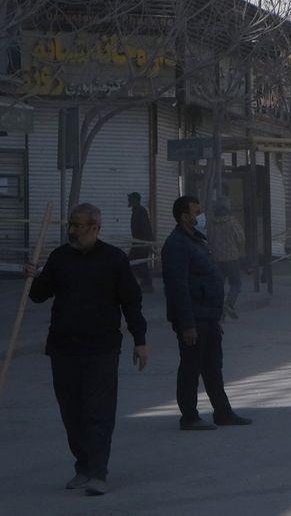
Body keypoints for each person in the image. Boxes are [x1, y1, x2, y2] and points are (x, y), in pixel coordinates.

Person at [26, 203, 147, 496]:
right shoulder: (60, 257)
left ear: (95, 228)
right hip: (63, 347)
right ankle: (83, 466)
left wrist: (140, 340)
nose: (72, 230)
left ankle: (98, 472)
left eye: (78, 225)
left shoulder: (114, 259)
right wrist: (32, 277)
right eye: (71, 224)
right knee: (71, 411)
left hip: (101, 348)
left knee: (98, 410)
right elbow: (39, 295)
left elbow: (131, 302)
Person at [162, 196, 252, 431]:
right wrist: (187, 324)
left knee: (213, 366)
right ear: (184, 216)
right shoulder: (177, 244)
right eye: (197, 212)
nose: (201, 216)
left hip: (208, 316)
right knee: (191, 367)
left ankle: (223, 412)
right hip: (194, 317)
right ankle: (189, 417)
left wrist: (217, 315)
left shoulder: (197, 240)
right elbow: (178, 287)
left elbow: (210, 277)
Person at [206, 202, 245, 319]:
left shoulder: (211, 224)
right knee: (236, 283)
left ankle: (220, 313)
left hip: (216, 259)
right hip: (232, 258)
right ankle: (229, 304)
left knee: (219, 286)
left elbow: (209, 240)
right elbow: (241, 239)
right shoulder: (233, 223)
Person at [127, 191, 154, 293]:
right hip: (137, 243)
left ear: (136, 200)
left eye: (130, 199)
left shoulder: (141, 211)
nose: (128, 201)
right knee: (132, 262)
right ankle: (144, 282)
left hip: (142, 243)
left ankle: (147, 284)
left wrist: (146, 244)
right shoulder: (136, 211)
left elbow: (145, 228)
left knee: (140, 263)